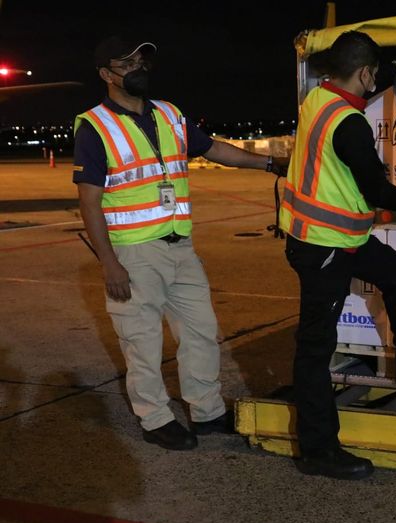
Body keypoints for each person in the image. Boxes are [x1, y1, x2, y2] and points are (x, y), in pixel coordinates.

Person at [73, 36, 288, 451]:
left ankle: (206, 413)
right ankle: (154, 418)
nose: (139, 67)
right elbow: (89, 202)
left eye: (142, 59)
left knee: (201, 332)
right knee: (142, 341)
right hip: (134, 253)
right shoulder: (95, 126)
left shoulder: (170, 114)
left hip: (180, 246)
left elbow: (215, 150)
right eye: (127, 62)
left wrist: (268, 164)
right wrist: (109, 264)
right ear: (106, 74)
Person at [280, 31, 396, 481]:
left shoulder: (317, 100)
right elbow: (375, 189)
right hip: (322, 245)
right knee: (314, 348)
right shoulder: (349, 124)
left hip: (342, 238)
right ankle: (318, 450)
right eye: (373, 75)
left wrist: (392, 73)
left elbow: (356, 88)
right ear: (364, 73)